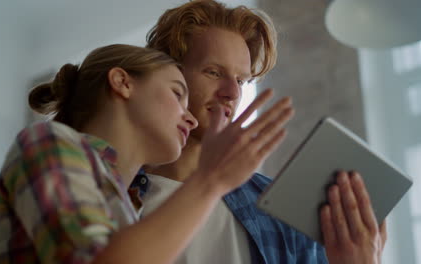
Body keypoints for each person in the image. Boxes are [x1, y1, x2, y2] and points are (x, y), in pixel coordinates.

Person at [0, 44, 294, 264]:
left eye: (242, 81)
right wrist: (211, 180)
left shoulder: (131, 209)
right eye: (177, 93)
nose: (190, 118)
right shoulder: (49, 143)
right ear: (122, 82)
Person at [130, 1, 387, 263]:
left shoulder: (279, 210)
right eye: (213, 72)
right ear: (170, 75)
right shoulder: (111, 191)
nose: (231, 92)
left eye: (241, 80)